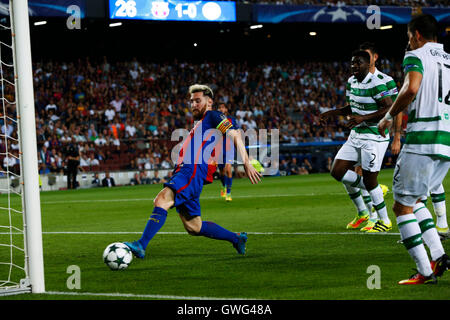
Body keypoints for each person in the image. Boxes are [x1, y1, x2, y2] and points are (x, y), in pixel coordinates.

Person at [124, 84, 261, 259]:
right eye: (191, 101)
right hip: (189, 172)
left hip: (192, 170)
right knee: (194, 227)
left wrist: (247, 162)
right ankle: (236, 238)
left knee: (162, 200)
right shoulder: (200, 124)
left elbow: (234, 134)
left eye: (198, 101)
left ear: (209, 101)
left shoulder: (213, 115)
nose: (193, 105)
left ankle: (140, 245)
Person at [377, 14, 449, 285]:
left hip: (422, 140)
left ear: (417, 35)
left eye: (409, 36)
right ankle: (440, 256)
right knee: (416, 200)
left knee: (401, 206)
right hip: (447, 142)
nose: (408, 42)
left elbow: (411, 88)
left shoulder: (415, 54)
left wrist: (388, 116)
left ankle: (425, 271)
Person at [319, 50, 394, 234]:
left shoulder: (377, 83)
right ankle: (377, 188)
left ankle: (384, 220)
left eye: (358, 63)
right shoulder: (351, 82)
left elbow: (389, 107)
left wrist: (363, 118)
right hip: (356, 135)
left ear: (368, 64)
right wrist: (333, 112)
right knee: (337, 171)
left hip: (373, 137)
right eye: (352, 63)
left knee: (370, 180)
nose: (354, 66)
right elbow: (351, 107)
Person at [349, 42, 401, 232]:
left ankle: (373, 217)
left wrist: (397, 137)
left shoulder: (385, 80)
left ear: (375, 57)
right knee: (352, 173)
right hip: (358, 134)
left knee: (365, 176)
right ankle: (366, 213)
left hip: (376, 135)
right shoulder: (355, 79)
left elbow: (396, 109)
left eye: (367, 56)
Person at [217, 101, 237, 202]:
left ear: (226, 110)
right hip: (218, 148)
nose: (221, 109)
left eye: (223, 107)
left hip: (229, 147)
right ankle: (224, 186)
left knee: (228, 169)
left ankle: (228, 193)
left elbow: (236, 132)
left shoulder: (231, 120)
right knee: (221, 171)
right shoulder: (215, 121)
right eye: (219, 108)